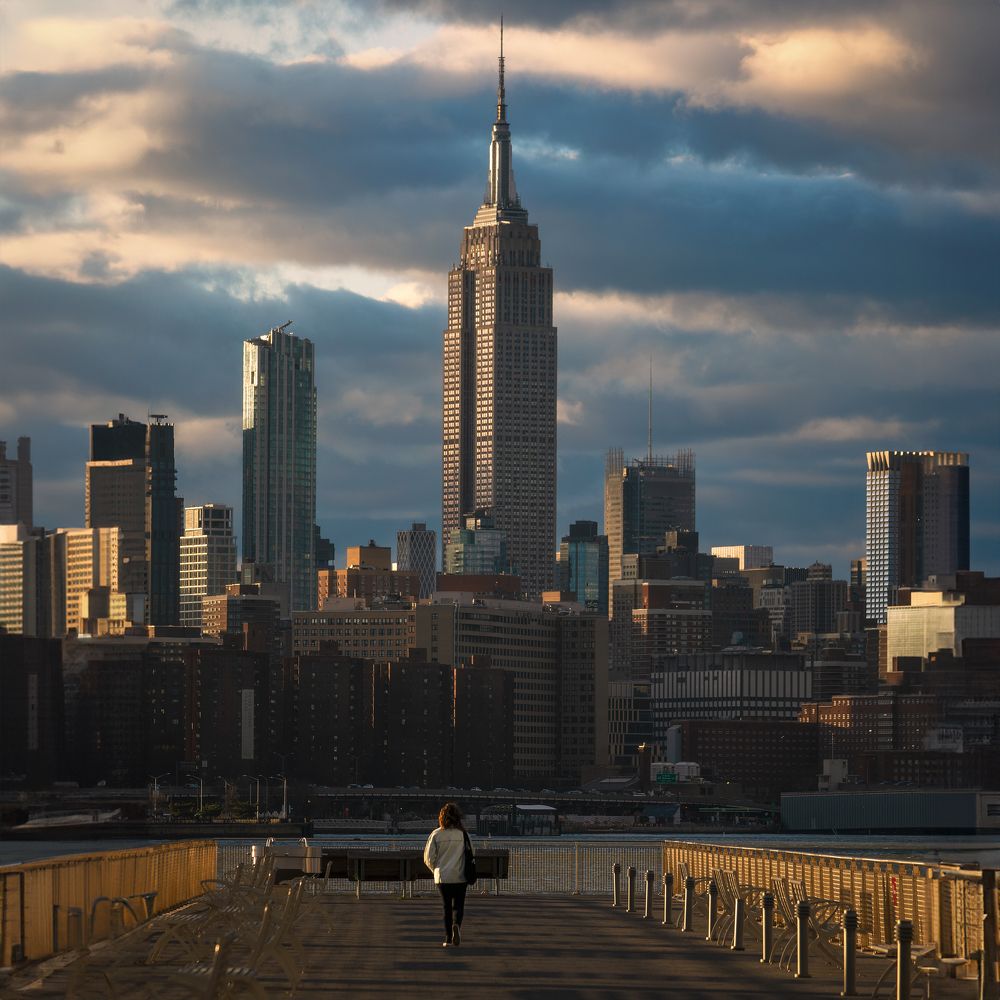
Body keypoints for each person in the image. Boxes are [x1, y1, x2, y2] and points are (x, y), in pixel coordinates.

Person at [423, 801, 473, 947]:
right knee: (459, 905)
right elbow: (471, 854)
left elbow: (428, 857)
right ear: (458, 818)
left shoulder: (436, 834)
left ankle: (448, 939)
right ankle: (456, 925)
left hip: (443, 877)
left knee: (446, 907)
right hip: (460, 876)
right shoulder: (464, 835)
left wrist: (436, 869)